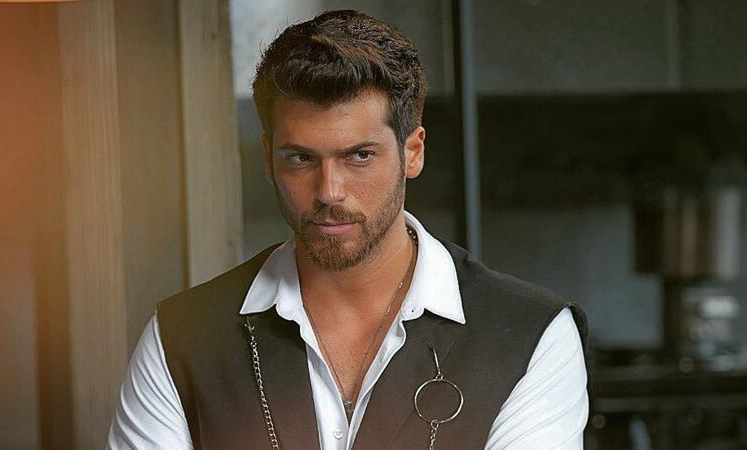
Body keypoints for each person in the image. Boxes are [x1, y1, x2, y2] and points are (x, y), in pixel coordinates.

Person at [107, 9, 588, 450]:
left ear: (413, 152)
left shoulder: (530, 336)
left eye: (359, 155)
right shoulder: (182, 338)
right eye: (301, 158)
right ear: (268, 159)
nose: (329, 191)